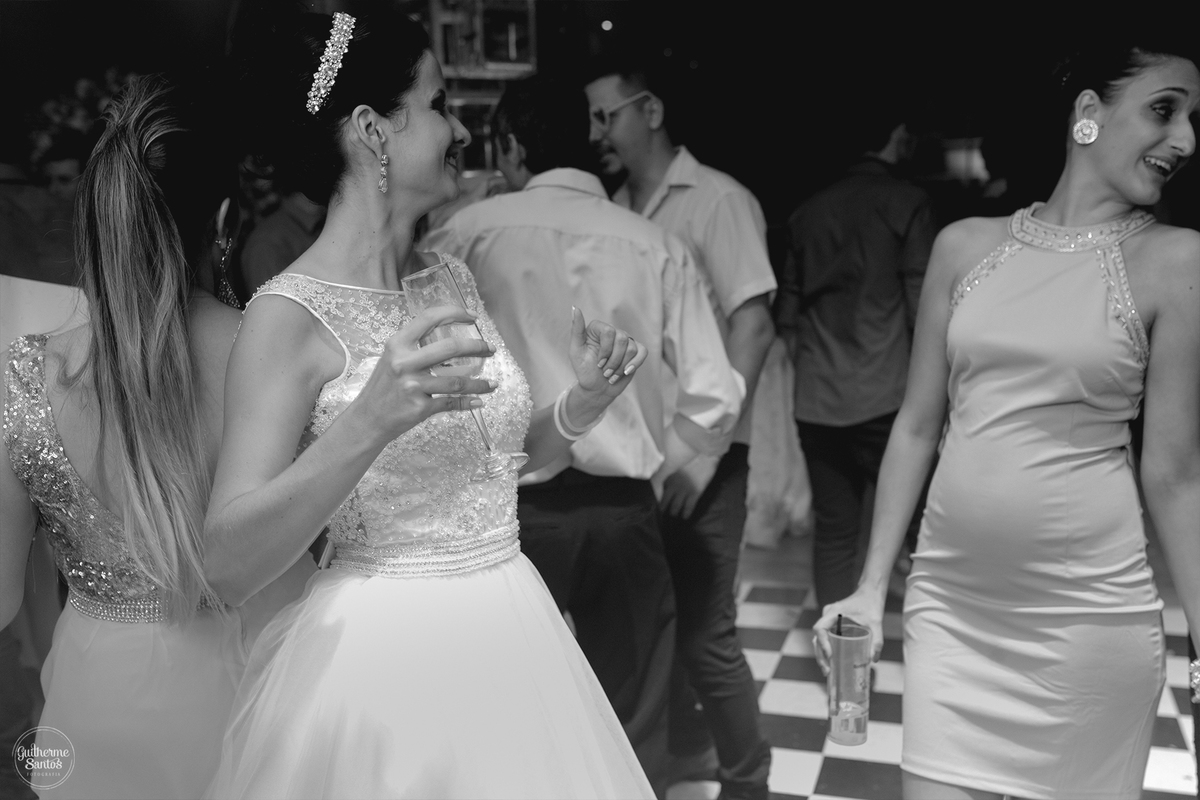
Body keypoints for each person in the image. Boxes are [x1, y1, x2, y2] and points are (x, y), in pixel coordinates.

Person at [204, 12, 654, 798]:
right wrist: (369, 421)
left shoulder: (448, 280)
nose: (462, 131)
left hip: (512, 631)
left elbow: (499, 467)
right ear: (374, 131)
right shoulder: (287, 317)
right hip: (383, 667)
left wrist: (581, 405)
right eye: (441, 102)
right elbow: (226, 563)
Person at [813, 39, 1200, 799]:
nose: (1185, 139)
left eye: (1194, 120)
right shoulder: (965, 248)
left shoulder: (1178, 262)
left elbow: (1174, 473)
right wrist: (868, 586)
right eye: (1164, 109)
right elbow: (919, 427)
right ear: (1089, 113)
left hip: (1088, 624)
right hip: (950, 611)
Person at [423, 76, 745, 796]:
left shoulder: (462, 237)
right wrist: (665, 471)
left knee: (501, 714)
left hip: (504, 511)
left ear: (510, 146)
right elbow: (715, 391)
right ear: (587, 139)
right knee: (630, 722)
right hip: (623, 508)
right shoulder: (654, 241)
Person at [0, 74, 312, 800]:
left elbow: (2, 604)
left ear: (96, 221)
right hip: (270, 687)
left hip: (101, 709)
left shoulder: (26, 379)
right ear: (226, 219)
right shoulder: (277, 354)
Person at [585, 58, 775, 797]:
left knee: (705, 637)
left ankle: (749, 780)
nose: (595, 132)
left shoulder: (717, 199)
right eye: (591, 119)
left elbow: (752, 329)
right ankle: (687, 766)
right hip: (640, 460)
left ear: (651, 111)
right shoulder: (613, 203)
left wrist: (702, 456)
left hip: (703, 456)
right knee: (656, 630)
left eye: (607, 115)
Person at [775, 113, 936, 609]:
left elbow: (787, 314)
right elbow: (923, 310)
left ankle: (841, 660)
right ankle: (924, 651)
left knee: (834, 535)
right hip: (889, 398)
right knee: (920, 530)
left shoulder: (807, 212)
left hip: (819, 400)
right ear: (895, 135)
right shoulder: (908, 204)